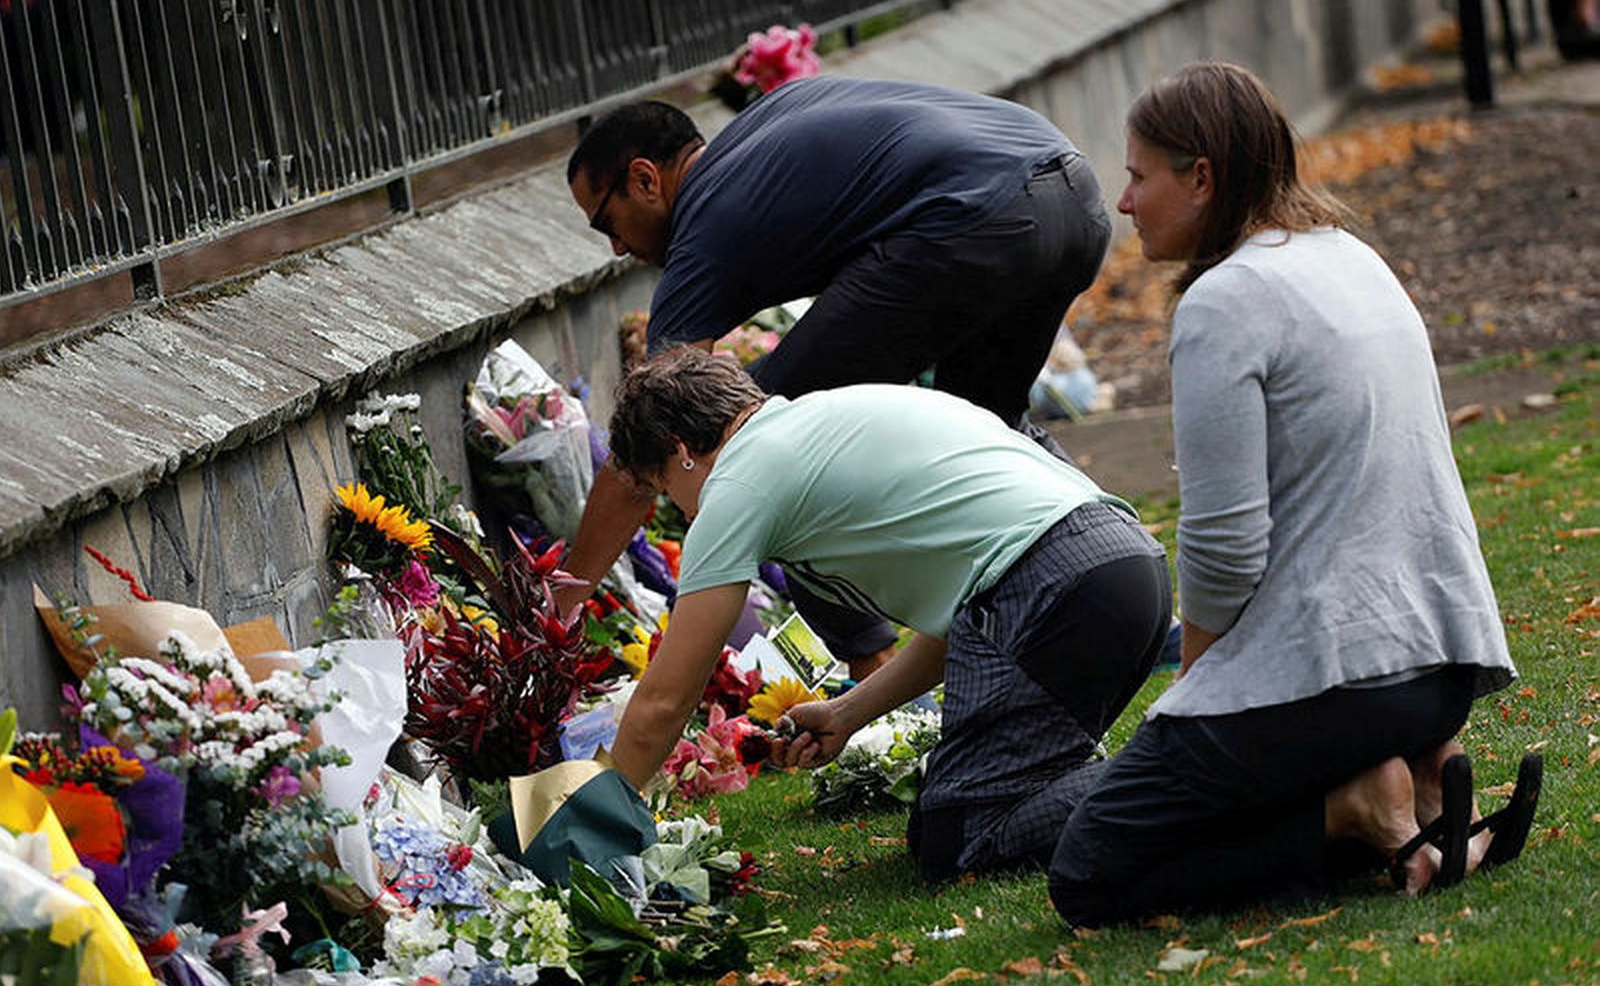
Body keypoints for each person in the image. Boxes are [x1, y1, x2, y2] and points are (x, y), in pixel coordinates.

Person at [1040, 62, 1536, 929]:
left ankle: (1355, 808)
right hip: (1442, 665)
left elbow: (1227, 547)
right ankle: (1409, 782)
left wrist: (1195, 687)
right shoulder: (1351, 258)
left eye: (1137, 175)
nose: (1124, 202)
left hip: (1338, 682)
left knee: (1089, 872)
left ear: (1201, 179)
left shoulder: (1225, 302)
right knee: (1219, 780)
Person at [561, 77, 1112, 678]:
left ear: (645, 180)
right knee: (987, 430)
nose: (616, 248)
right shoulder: (757, 138)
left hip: (975, 218)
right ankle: (1108, 582)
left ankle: (870, 663)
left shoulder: (708, 218)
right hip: (1071, 194)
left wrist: (565, 594)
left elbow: (650, 429)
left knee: (761, 437)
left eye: (607, 222)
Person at [605, 347, 1171, 883]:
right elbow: (971, 613)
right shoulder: (843, 412)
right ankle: (1187, 767)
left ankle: (1195, 771)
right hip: (1127, 566)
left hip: (1054, 595)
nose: (681, 510)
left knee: (961, 837)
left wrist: (598, 823)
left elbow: (666, 698)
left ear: (680, 449)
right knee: (961, 810)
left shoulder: (737, 481)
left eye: (665, 489)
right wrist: (849, 712)